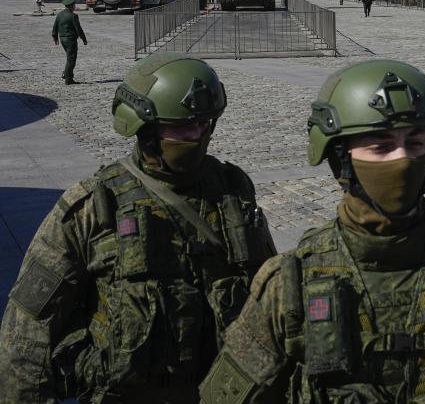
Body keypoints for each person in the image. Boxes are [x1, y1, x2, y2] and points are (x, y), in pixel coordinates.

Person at [200, 59, 425, 403]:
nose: (403, 158)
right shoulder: (290, 285)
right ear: (341, 160)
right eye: (381, 147)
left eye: (414, 142)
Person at [0, 53, 277, 403]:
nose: (195, 135)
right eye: (179, 128)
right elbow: (26, 336)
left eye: (203, 125)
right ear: (144, 128)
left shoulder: (233, 191)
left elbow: (268, 297)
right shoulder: (94, 207)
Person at [52, 0, 87, 84]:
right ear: (72, 5)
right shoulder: (73, 16)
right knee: (71, 59)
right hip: (70, 40)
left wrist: (55, 37)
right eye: (74, 5)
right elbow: (78, 29)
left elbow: (55, 26)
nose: (75, 6)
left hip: (62, 39)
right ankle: (68, 78)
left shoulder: (60, 14)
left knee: (69, 58)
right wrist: (84, 39)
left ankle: (67, 73)